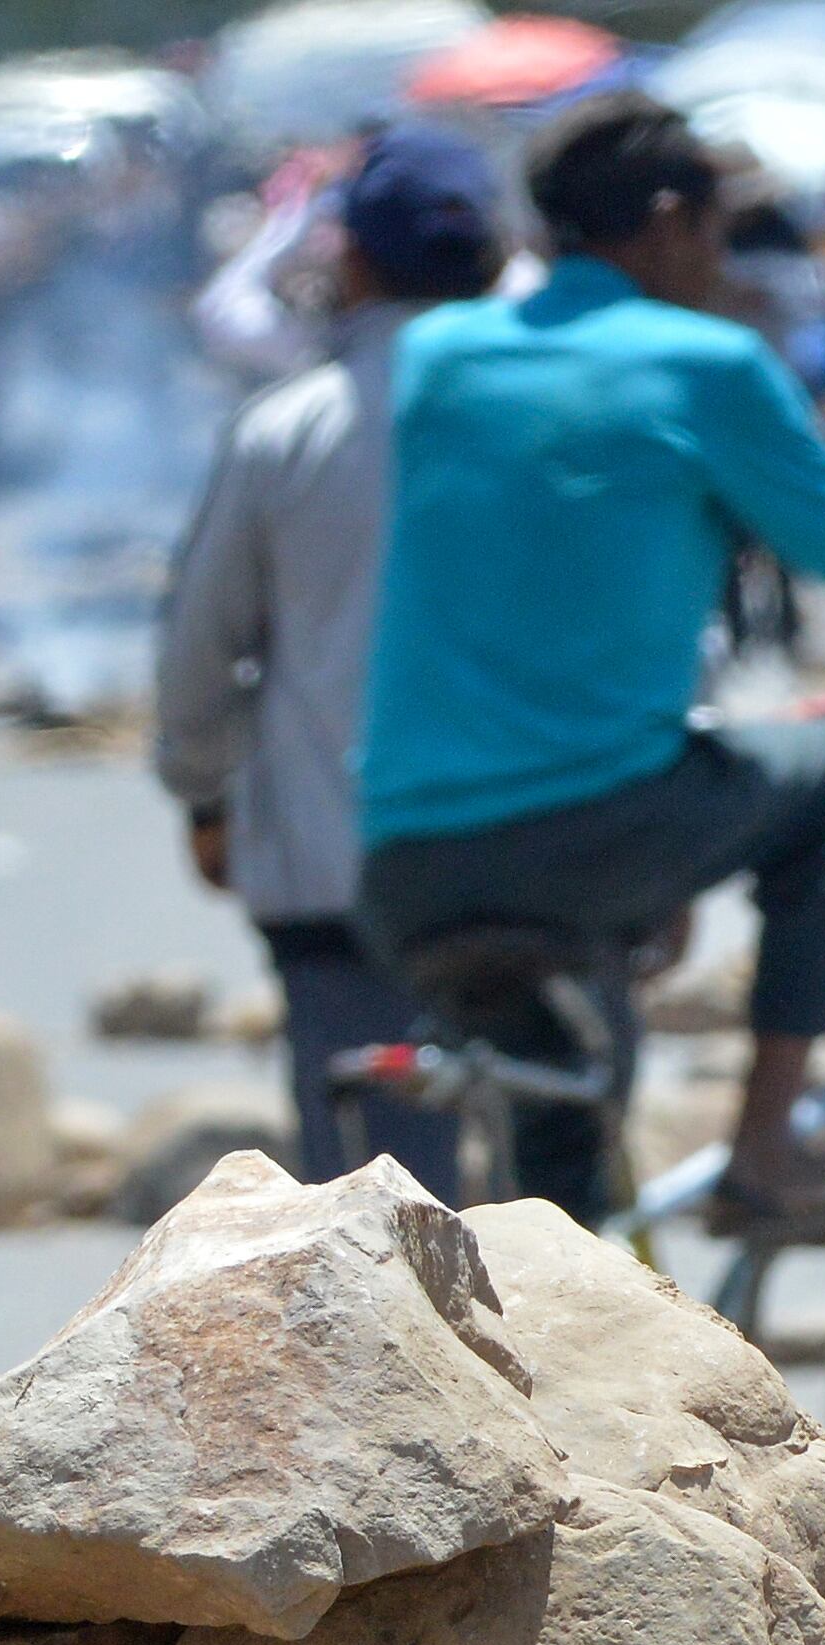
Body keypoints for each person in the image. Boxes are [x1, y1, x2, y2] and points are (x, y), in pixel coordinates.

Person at [354, 93, 825, 1219]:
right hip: (583, 831)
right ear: (671, 222)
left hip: (404, 857)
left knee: (559, 1182)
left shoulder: (438, 355)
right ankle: (764, 1147)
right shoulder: (704, 366)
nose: (724, 263)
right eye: (718, 233)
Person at [152, 125, 502, 1193]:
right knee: (550, 1190)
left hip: (337, 876)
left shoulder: (284, 433)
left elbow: (199, 650)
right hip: (538, 870)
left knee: (367, 1214)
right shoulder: (563, 419)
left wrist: (204, 793)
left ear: (350, 260)